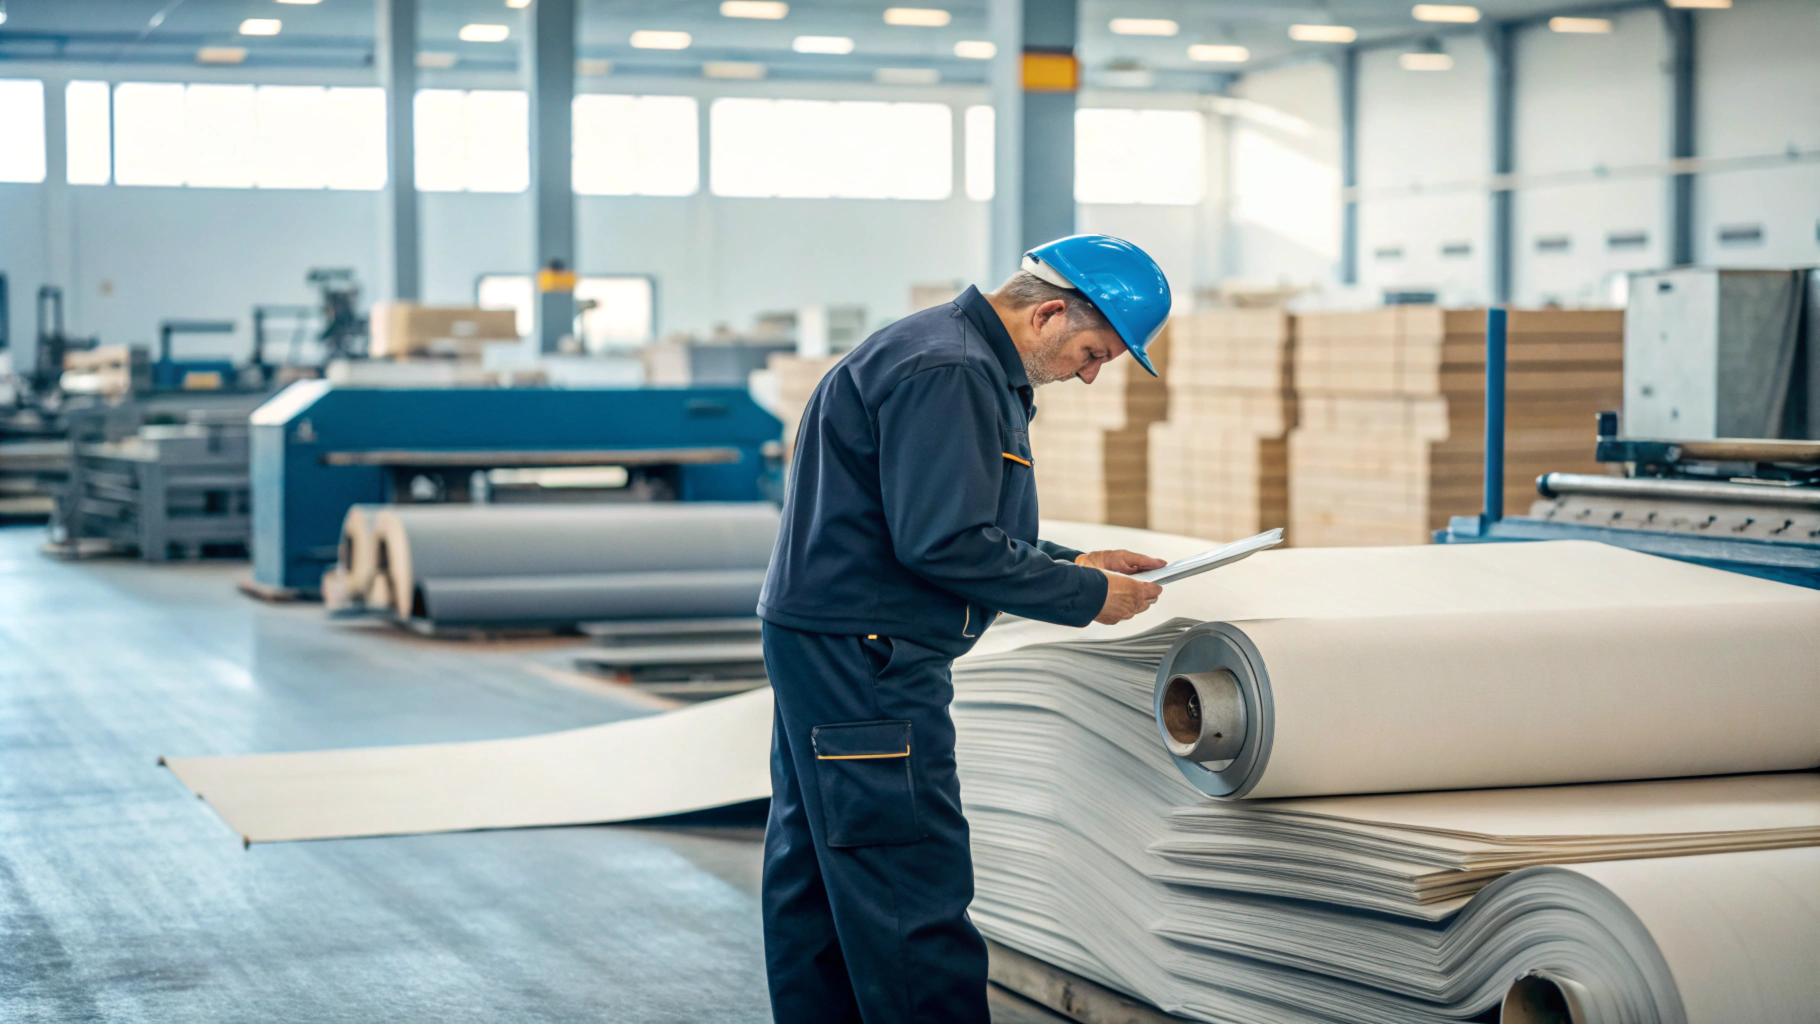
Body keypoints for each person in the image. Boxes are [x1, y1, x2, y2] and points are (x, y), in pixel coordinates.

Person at [756, 234, 1172, 1023]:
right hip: (869, 655)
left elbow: (940, 517)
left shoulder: (939, 349)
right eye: (1093, 353)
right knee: (909, 883)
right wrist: (1087, 594)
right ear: (1049, 312)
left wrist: (1069, 557)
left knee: (816, 873)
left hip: (832, 640)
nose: (1088, 373)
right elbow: (942, 544)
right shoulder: (952, 371)